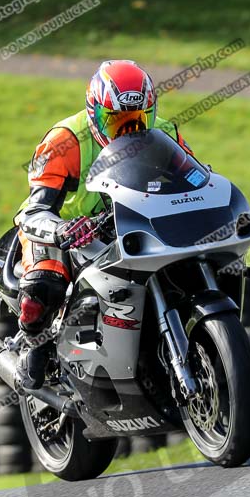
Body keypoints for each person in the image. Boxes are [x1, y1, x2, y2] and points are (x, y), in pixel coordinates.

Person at [13, 59, 193, 391]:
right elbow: (34, 211)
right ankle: (33, 344)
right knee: (44, 282)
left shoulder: (164, 132)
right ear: (95, 113)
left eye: (139, 118)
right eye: (118, 120)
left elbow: (193, 180)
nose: (130, 129)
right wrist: (61, 230)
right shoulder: (66, 141)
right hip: (63, 229)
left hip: (125, 220)